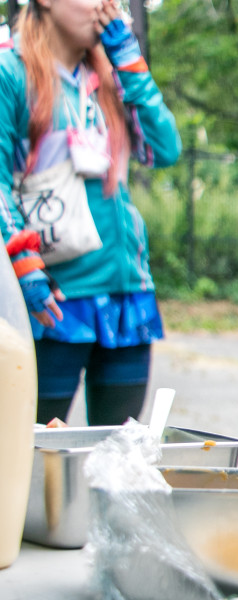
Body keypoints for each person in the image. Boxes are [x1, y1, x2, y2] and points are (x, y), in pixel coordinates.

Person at [1, 0, 180, 426]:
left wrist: (129, 62)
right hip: (54, 301)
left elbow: (164, 150)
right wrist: (21, 264)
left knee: (117, 460)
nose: (108, 7)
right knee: (32, 456)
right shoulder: (10, 71)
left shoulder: (110, 74)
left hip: (126, 295)